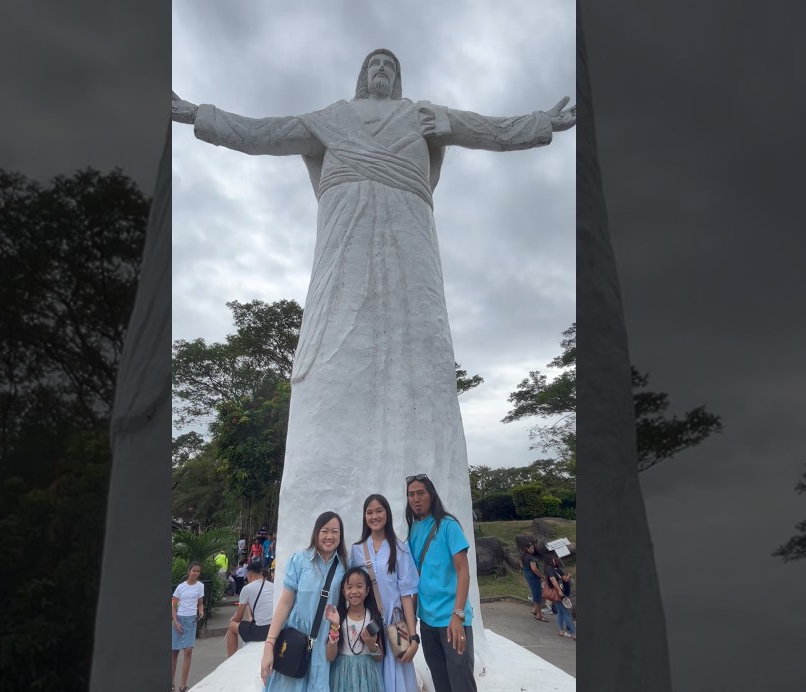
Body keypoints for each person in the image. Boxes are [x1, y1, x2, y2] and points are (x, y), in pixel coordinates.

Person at [171, 51, 576, 581]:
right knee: (329, 362)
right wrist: (198, 114)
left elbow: (489, 130)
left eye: (390, 64)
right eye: (374, 63)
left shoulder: (423, 116)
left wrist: (541, 123)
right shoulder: (331, 119)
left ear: (398, 77)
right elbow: (262, 132)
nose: (382, 69)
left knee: (424, 358)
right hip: (344, 246)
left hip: (412, 248)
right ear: (361, 75)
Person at [405, 474, 482, 692]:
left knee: (462, 688)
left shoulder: (448, 525)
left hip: (452, 621)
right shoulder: (414, 528)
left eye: (420, 493)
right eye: (411, 495)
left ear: (431, 495)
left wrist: (458, 615)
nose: (415, 499)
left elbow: (463, 571)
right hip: (428, 622)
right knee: (442, 685)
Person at [260, 512, 348, 692]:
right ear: (316, 533)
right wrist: (269, 645)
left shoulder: (344, 566)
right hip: (296, 639)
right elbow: (285, 602)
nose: (329, 536)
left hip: (326, 642)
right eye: (324, 531)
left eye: (335, 531)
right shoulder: (299, 560)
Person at [349, 494, 419, 692]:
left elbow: (407, 594)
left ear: (387, 513)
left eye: (378, 511)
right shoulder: (358, 549)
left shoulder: (399, 548)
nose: (374, 516)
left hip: (394, 630)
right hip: (369, 630)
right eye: (369, 512)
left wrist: (413, 635)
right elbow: (352, 590)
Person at [325, 567, 389, 692]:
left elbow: (380, 657)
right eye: (349, 587)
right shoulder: (339, 617)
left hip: (367, 676)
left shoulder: (373, 617)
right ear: (343, 591)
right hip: (342, 675)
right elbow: (330, 656)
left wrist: (371, 644)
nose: (354, 591)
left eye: (359, 586)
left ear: (367, 591)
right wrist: (335, 628)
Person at [226, 559, 275, 656]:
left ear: (249, 574)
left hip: (262, 630)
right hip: (275, 628)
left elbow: (238, 617)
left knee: (232, 627)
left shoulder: (247, 588)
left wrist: (232, 620)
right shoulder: (272, 585)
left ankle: (230, 659)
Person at [171, 562, 205, 692]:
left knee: (188, 650)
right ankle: (171, 685)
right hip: (179, 618)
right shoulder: (180, 587)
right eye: (194, 571)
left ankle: (183, 685)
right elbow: (173, 606)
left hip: (191, 619)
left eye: (198, 571)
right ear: (188, 571)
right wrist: (175, 621)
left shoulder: (200, 586)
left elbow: (200, 603)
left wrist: (201, 612)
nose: (196, 573)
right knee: (174, 652)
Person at [544, 560, 576, 640]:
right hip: (562, 594)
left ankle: (561, 630)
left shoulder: (550, 570)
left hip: (556, 595)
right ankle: (573, 633)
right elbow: (565, 580)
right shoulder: (558, 570)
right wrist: (569, 575)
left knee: (560, 613)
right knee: (566, 613)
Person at [519, 540, 548, 623]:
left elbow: (521, 565)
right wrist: (542, 576)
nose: (533, 550)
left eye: (533, 548)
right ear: (527, 548)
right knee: (537, 594)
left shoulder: (523, 556)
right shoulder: (531, 557)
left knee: (534, 591)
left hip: (527, 574)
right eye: (531, 548)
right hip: (533, 576)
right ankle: (539, 614)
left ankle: (535, 610)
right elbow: (534, 569)